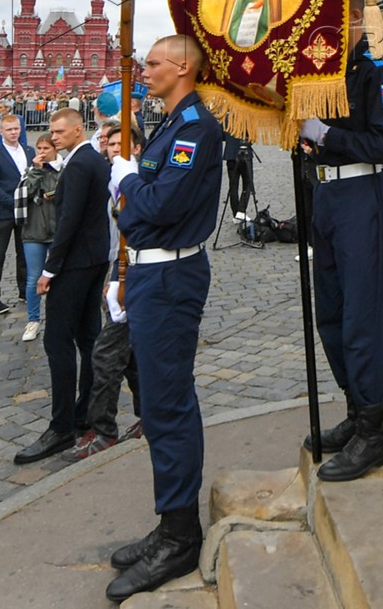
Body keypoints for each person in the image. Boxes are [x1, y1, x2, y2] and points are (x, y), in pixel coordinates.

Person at [103, 35, 223, 603]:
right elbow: (138, 215)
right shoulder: (171, 124)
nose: (143, 70)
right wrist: (133, 194)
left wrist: (126, 182)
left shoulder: (196, 128)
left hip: (173, 278)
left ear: (181, 67)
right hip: (153, 272)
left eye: (151, 63)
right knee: (154, 400)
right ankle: (170, 518)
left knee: (167, 403)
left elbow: (153, 206)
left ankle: (180, 535)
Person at [297, 0, 383, 477]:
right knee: (333, 315)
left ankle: (371, 429)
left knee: (363, 316)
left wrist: (325, 135)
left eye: (333, 19)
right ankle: (353, 406)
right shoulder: (323, 80)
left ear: (355, 19)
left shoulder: (378, 75)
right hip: (327, 201)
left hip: (363, 197)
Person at [16, 107, 110, 464]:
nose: (53, 137)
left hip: (74, 263)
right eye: (51, 133)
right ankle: (83, 411)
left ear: (76, 129)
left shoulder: (81, 163)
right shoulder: (92, 160)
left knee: (58, 340)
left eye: (58, 131)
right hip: (93, 257)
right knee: (88, 338)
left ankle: (61, 425)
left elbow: (68, 219)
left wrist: (50, 269)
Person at [78, 121, 139, 459]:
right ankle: (148, 417)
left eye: (121, 143)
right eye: (108, 142)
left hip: (132, 275)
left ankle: (103, 430)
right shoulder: (109, 179)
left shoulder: (137, 181)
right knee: (130, 355)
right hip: (114, 272)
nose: (113, 148)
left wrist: (122, 278)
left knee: (106, 355)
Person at [0, 114, 31, 315]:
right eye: (9, 129)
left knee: (24, 253)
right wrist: (12, 202)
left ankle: (24, 291)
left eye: (16, 128)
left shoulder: (29, 150)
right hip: (3, 211)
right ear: (0, 132)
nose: (13, 132)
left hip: (26, 211)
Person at [16, 135, 60, 342]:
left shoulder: (63, 170)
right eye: (39, 148)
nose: (42, 152)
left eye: (46, 148)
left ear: (55, 150)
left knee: (58, 276)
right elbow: (24, 193)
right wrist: (36, 171)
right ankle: (33, 320)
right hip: (34, 230)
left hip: (57, 230)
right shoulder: (31, 171)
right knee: (34, 277)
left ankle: (57, 317)